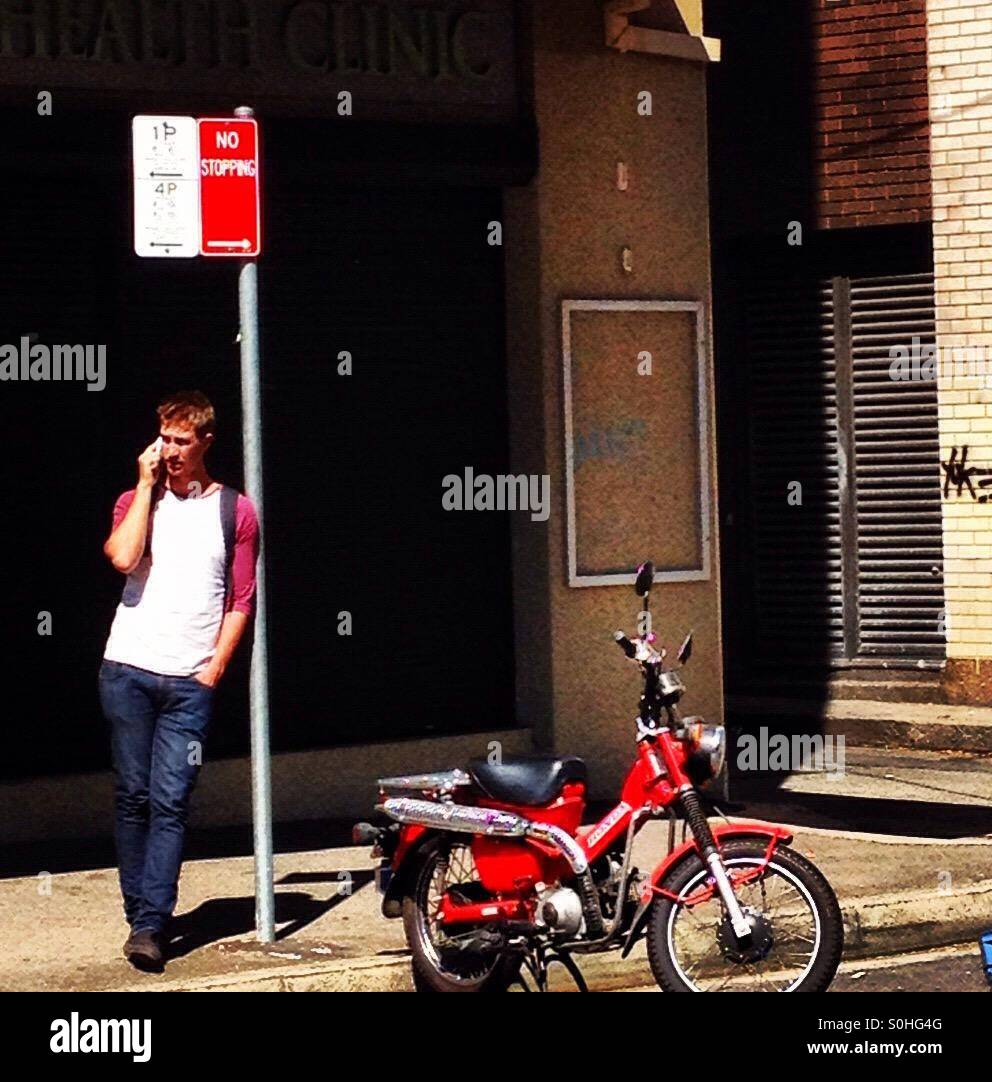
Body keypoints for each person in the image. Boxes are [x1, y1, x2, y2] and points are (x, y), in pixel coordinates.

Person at [99, 390, 259, 972]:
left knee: (171, 800)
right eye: (163, 438)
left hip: (189, 683)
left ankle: (151, 923)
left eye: (181, 441)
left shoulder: (235, 512)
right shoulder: (136, 500)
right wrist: (144, 489)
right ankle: (140, 913)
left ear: (206, 443)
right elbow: (121, 558)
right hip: (129, 670)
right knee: (133, 794)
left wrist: (214, 667)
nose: (169, 451)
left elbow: (242, 600)